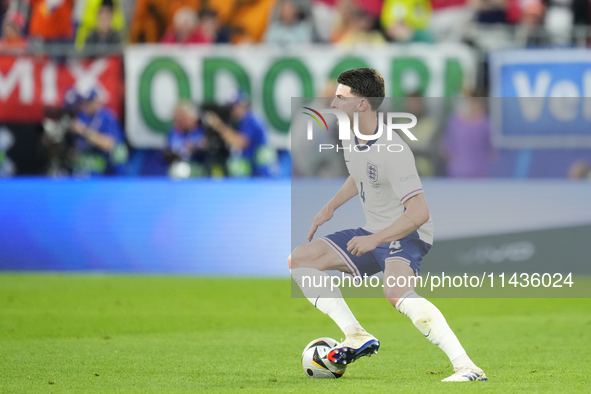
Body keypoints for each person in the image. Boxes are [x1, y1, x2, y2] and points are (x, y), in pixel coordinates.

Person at [289, 68, 487, 382]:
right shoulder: (351, 134)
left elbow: (419, 211)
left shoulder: (392, 149)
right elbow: (359, 174)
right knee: (300, 259)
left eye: (341, 97)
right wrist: (330, 207)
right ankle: (355, 335)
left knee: (395, 291)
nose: (333, 102)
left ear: (362, 104)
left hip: (405, 232)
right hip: (374, 231)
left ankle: (468, 367)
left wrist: (375, 239)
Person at [204, 93, 271, 177]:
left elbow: (240, 142)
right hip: (253, 169)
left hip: (261, 171)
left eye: (235, 107)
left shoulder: (251, 121)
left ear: (243, 105)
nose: (232, 111)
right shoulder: (242, 122)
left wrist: (218, 125)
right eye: (231, 107)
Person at [69, 87, 128, 176]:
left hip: (109, 167)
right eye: (83, 102)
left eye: (88, 102)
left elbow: (108, 144)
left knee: (118, 153)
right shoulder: (81, 117)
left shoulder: (106, 117)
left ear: (96, 101)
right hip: (88, 164)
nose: (85, 105)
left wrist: (83, 131)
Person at [165, 101, 209, 178]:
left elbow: (204, 148)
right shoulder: (173, 133)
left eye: (182, 115)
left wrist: (196, 148)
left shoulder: (200, 131)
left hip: (198, 168)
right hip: (180, 169)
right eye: (177, 116)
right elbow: (170, 151)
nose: (179, 119)